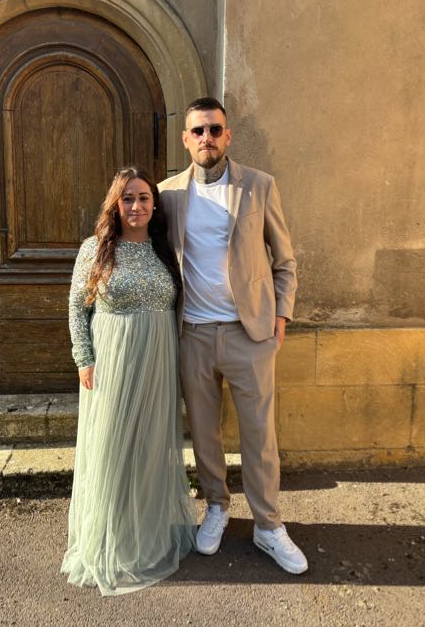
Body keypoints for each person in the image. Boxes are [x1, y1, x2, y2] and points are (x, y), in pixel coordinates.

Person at [158, 97, 308, 574]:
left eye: (215, 129)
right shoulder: (166, 195)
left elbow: (284, 259)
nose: (207, 138)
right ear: (185, 139)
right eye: (198, 131)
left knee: (259, 435)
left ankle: (268, 525)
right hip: (193, 334)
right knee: (205, 432)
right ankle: (217, 507)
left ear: (228, 135)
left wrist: (281, 315)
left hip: (250, 333)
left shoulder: (259, 185)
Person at [61, 166, 197, 596]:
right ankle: (112, 537)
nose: (136, 206)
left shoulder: (165, 250)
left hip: (158, 359)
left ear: (155, 204)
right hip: (112, 359)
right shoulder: (95, 248)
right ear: (115, 205)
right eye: (127, 198)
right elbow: (76, 307)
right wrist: (83, 358)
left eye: (143, 197)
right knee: (112, 444)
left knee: (150, 446)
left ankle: (147, 532)